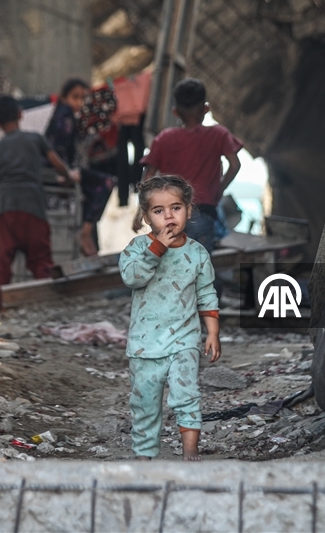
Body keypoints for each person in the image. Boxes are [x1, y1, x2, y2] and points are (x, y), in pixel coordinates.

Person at [119, 174, 221, 461]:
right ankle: (145, 456)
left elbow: (206, 294)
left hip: (184, 340)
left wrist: (212, 332)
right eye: (158, 211)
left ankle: (190, 452)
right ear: (146, 217)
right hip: (144, 345)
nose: (169, 216)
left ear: (188, 210)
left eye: (176, 208)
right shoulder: (137, 249)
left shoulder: (197, 254)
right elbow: (132, 278)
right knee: (145, 404)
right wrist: (156, 250)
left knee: (186, 394)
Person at [0, 96, 77, 314]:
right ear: (20, 114)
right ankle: (47, 307)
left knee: (0, 265)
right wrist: (69, 178)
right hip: (33, 207)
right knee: (41, 261)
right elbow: (58, 165)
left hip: (5, 209)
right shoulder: (35, 139)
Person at [139, 78, 243, 252]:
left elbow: (148, 176)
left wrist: (148, 209)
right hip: (202, 213)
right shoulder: (218, 134)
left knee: (170, 268)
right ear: (206, 109)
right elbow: (235, 164)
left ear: (175, 112)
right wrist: (219, 189)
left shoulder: (164, 138)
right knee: (198, 269)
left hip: (168, 217)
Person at [45, 77, 116, 256]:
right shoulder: (65, 117)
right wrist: (67, 173)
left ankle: (86, 232)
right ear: (64, 98)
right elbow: (57, 148)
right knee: (106, 184)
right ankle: (84, 233)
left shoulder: (68, 117)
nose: (78, 102)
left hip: (66, 170)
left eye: (82, 98)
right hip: (62, 172)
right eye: (74, 97)